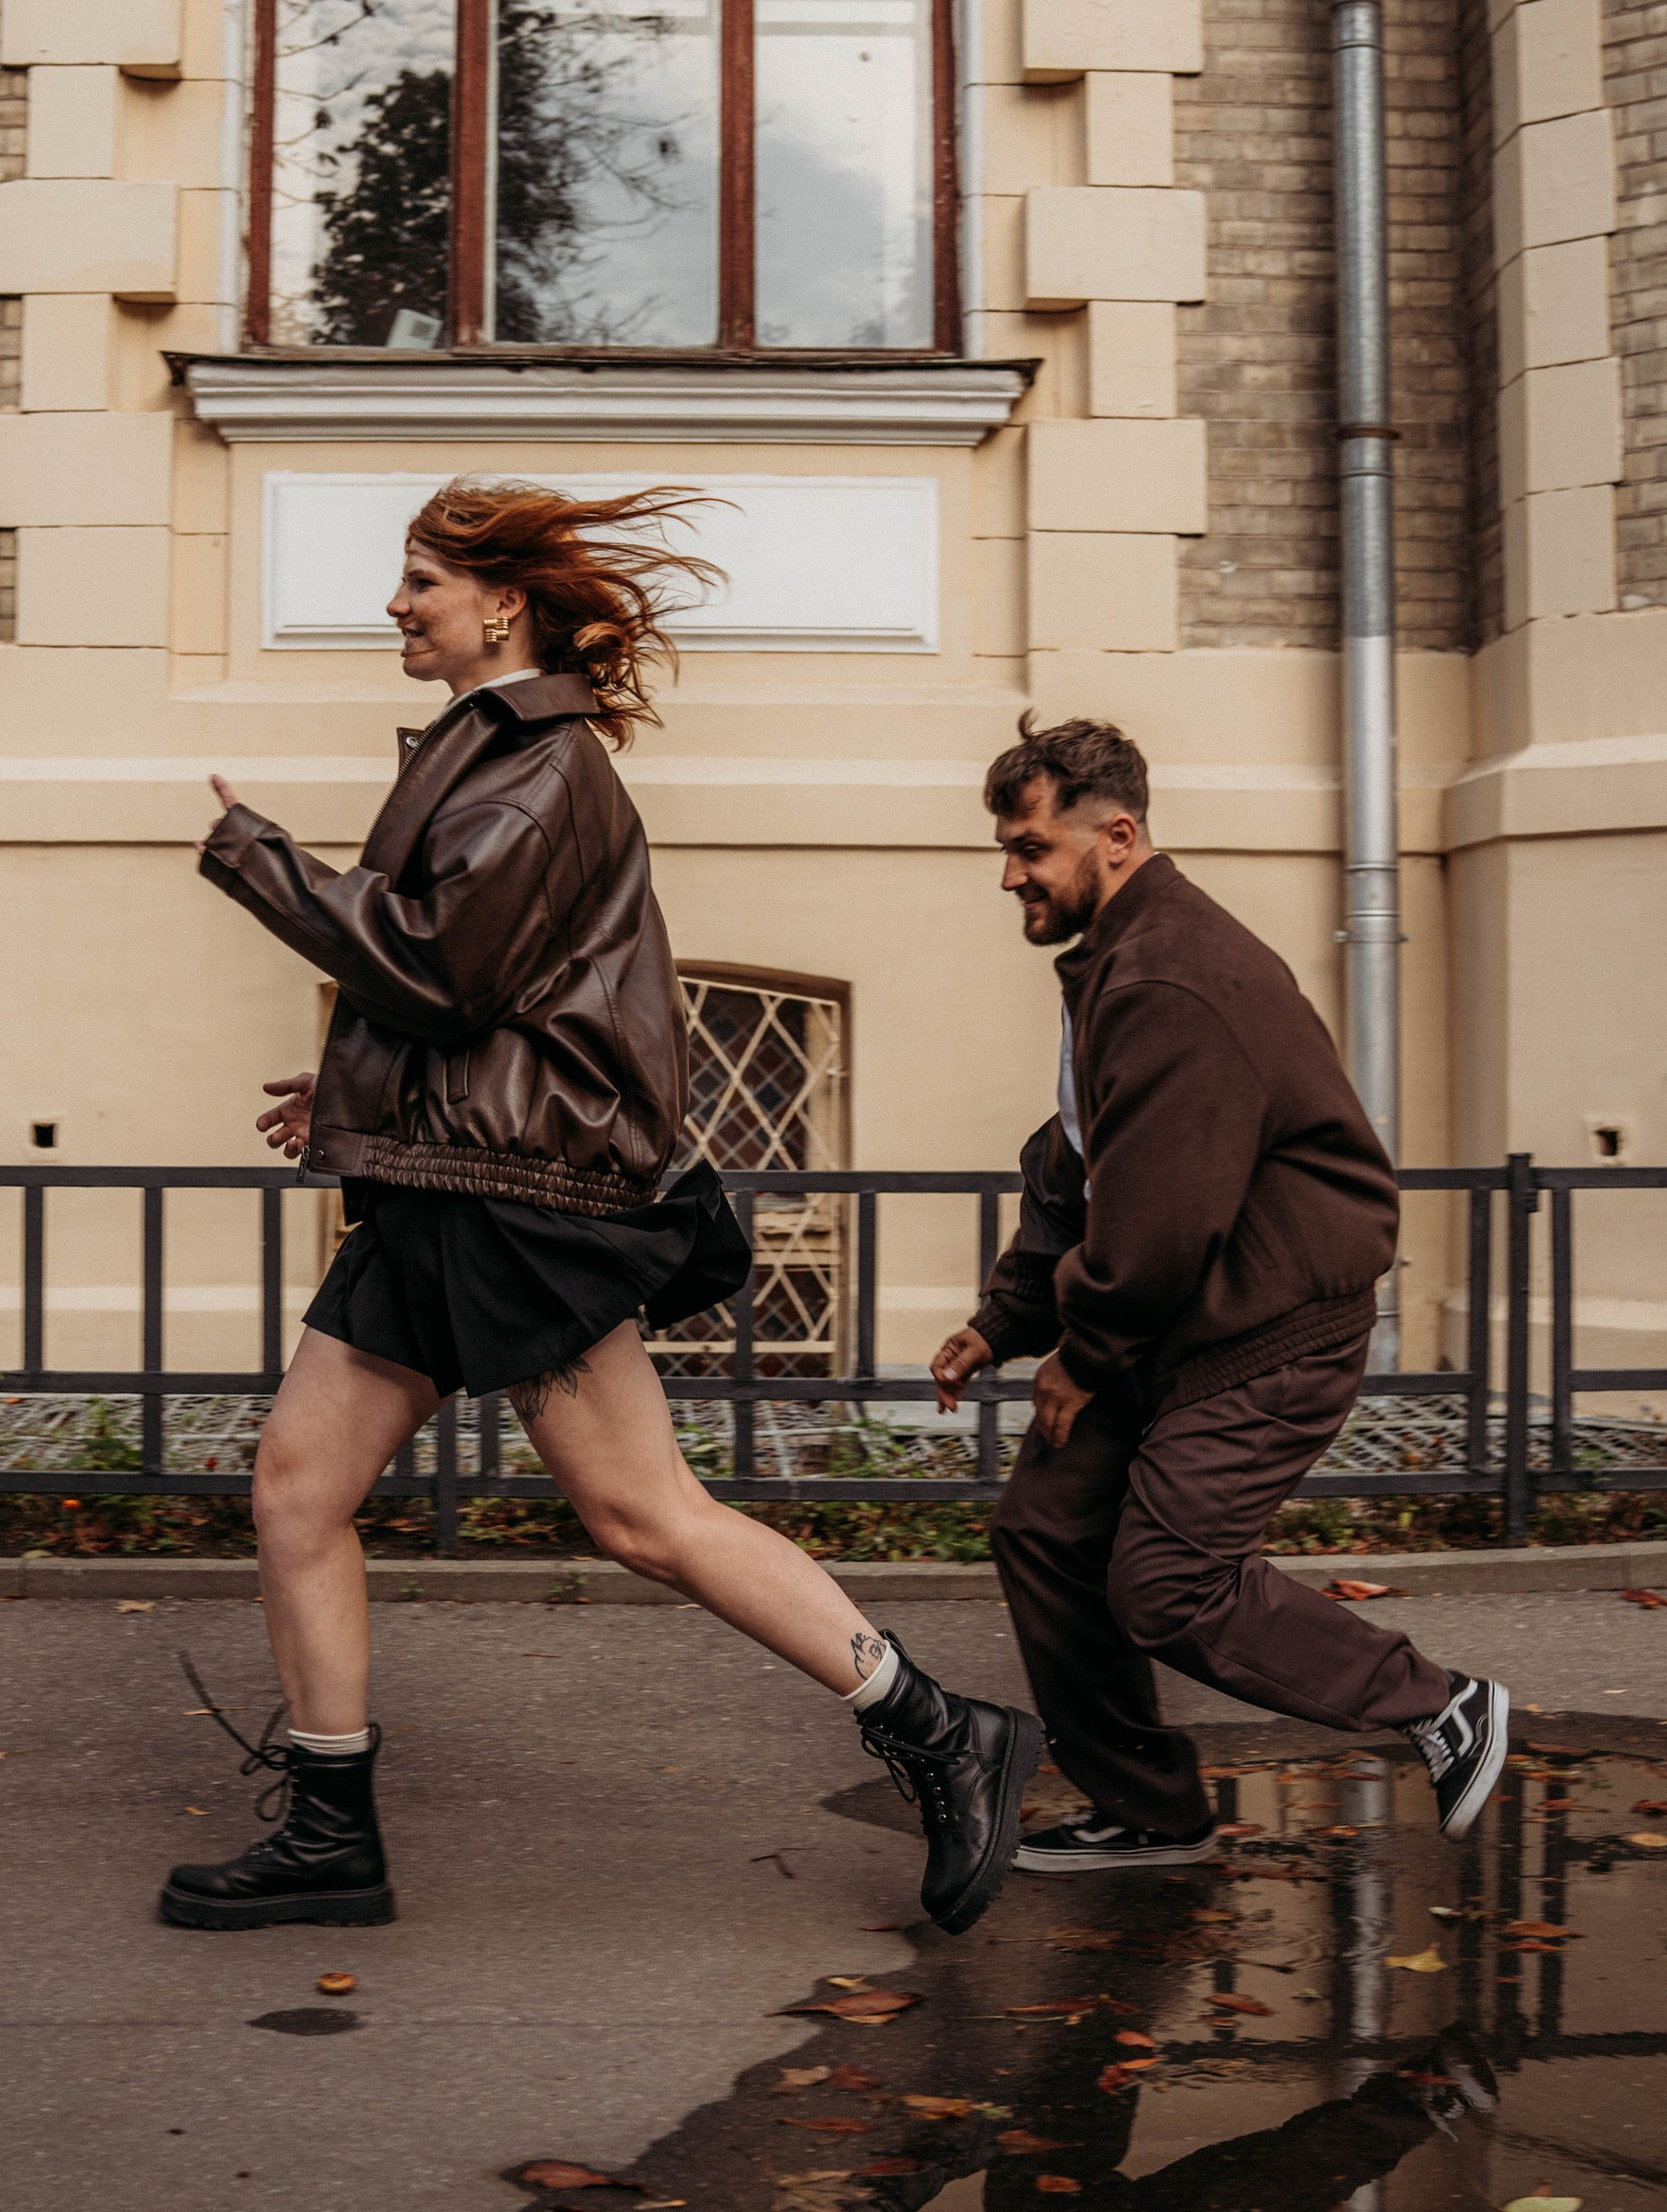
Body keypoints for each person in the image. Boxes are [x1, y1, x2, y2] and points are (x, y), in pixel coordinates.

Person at [162, 478, 1041, 1940]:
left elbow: (442, 969)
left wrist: (260, 858)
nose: (396, 605)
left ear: (500, 605)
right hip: (455, 1185)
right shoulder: (488, 752)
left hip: (514, 1207)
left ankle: (942, 1729)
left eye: (420, 582)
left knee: (644, 1516)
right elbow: (489, 999)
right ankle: (330, 1834)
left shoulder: (539, 766)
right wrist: (361, 1098)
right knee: (298, 1490)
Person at [930, 713, 1509, 1871]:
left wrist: (1081, 1356)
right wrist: (1004, 1319)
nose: (1010, 876)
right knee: (1046, 1533)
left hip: (1267, 1327)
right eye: (1006, 850)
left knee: (1168, 1586)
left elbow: (1158, 1216)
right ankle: (1149, 1808)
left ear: (1116, 836)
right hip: (1178, 1312)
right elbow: (1077, 1156)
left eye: (1030, 849)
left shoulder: (1170, 975)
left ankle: (1439, 1705)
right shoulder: (1118, 962)